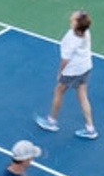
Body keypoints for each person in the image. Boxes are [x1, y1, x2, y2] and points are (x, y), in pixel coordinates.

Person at [35, 10, 98, 139]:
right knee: (82, 95)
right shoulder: (85, 31)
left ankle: (51, 122)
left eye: (76, 15)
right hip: (85, 67)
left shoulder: (71, 38)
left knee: (58, 91)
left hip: (72, 70)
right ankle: (91, 129)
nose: (74, 14)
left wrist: (60, 73)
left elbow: (65, 59)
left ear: (76, 23)